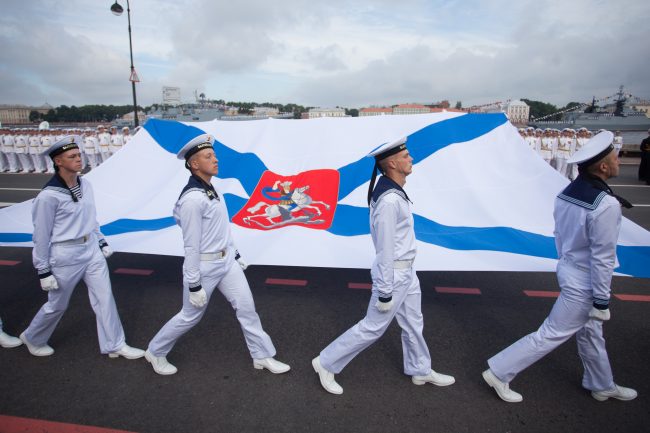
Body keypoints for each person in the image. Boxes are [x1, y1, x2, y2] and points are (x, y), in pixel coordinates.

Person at [482, 131, 637, 403]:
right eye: (615, 158)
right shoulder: (605, 205)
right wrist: (601, 300)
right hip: (586, 281)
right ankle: (500, 371)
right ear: (602, 167)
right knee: (551, 333)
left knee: (591, 333)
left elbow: (560, 235)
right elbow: (602, 257)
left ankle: (601, 383)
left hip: (569, 268)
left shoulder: (567, 193)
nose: (619, 162)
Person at [312, 137, 455, 395]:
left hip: (407, 272)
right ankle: (325, 362)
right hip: (394, 274)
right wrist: (385, 290)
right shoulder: (389, 200)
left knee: (413, 322)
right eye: (405, 156)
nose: (410, 159)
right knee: (373, 327)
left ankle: (420, 369)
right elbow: (385, 249)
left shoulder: (394, 192)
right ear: (391, 164)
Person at [144, 134, 290, 376]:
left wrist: (235, 253)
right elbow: (191, 245)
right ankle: (156, 351)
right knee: (190, 316)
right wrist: (194, 284)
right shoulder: (193, 199)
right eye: (208, 156)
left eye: (214, 154)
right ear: (194, 164)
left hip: (226, 262)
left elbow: (221, 228)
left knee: (247, 309)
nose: (215, 159)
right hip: (204, 266)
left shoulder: (212, 189)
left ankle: (262, 355)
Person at [19, 135, 144, 360]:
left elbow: (91, 218)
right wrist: (43, 269)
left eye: (79, 155)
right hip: (65, 253)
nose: (79, 159)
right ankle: (33, 336)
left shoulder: (85, 184)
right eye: (72, 156)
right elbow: (40, 236)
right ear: (58, 161)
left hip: (91, 249)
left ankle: (115, 344)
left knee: (105, 298)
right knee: (57, 304)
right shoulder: (48, 197)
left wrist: (101, 240)